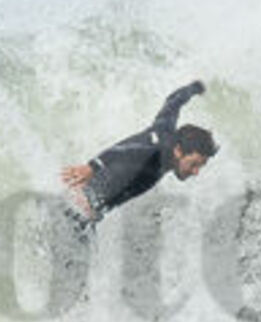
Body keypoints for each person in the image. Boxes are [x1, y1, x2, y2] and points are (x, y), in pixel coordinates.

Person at [61, 79, 217, 224]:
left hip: (84, 203)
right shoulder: (156, 154)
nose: (196, 172)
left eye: (200, 166)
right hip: (81, 204)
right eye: (193, 164)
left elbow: (173, 102)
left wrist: (193, 89)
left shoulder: (165, 130)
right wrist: (92, 167)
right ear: (178, 151)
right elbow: (125, 149)